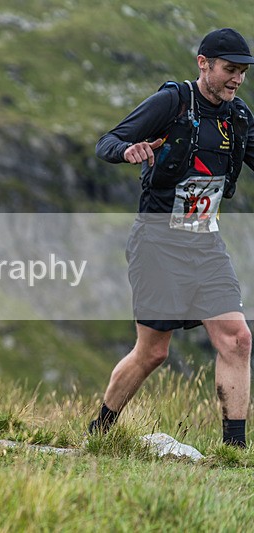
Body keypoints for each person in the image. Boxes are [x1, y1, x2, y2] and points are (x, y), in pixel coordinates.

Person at [92, 28, 254, 447]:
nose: (237, 80)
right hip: (157, 242)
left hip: (206, 242)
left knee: (237, 339)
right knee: (153, 352)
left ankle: (234, 451)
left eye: (242, 72)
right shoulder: (173, 102)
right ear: (204, 64)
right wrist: (126, 151)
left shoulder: (239, 117)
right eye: (229, 70)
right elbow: (108, 141)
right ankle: (99, 432)